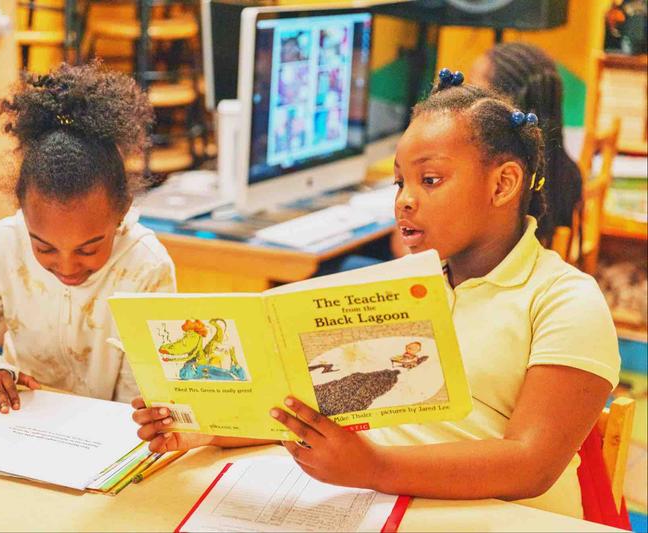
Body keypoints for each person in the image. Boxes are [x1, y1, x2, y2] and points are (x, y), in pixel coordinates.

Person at [132, 70, 620, 519]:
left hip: (496, 519)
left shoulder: (565, 299)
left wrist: (373, 468)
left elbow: (529, 464)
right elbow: (318, 412)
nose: (405, 198)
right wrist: (205, 428)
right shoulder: (399, 286)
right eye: (399, 181)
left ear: (503, 183)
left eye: (430, 180)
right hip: (380, 508)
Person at [0, 62, 176, 414]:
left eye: (89, 247)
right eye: (44, 246)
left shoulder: (146, 266)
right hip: (21, 420)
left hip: (106, 433)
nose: (66, 265)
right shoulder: (4, 244)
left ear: (122, 210)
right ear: (23, 210)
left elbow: (142, 391)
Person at [470, 42, 583, 245]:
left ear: (505, 101)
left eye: (475, 89)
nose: (465, 98)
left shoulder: (499, 179)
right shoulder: (566, 172)